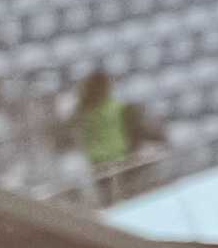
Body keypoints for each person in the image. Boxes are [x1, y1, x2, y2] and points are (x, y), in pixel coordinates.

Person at [62, 71, 161, 199]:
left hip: (105, 161)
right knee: (125, 195)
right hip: (115, 159)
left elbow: (69, 127)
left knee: (115, 196)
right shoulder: (113, 108)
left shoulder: (85, 110)